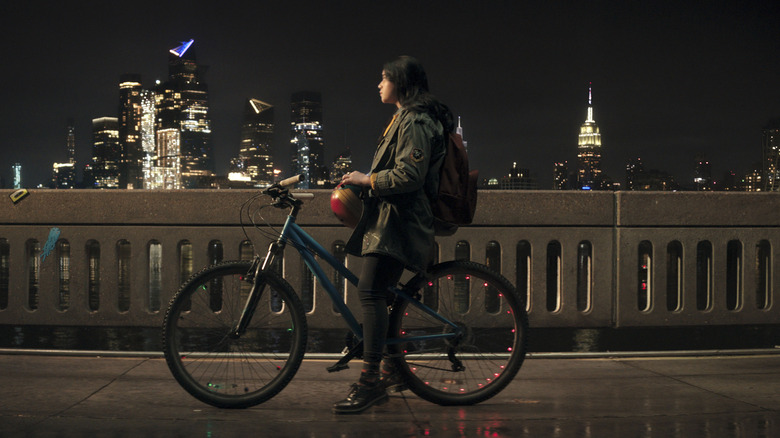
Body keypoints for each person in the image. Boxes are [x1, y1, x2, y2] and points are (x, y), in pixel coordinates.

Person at [333, 56, 454, 414]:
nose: (379, 84)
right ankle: (392, 368)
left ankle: (370, 383)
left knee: (369, 292)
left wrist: (365, 179)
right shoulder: (403, 118)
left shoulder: (415, 120)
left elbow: (409, 177)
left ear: (401, 83)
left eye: (384, 78)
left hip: (401, 224)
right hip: (392, 220)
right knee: (380, 294)